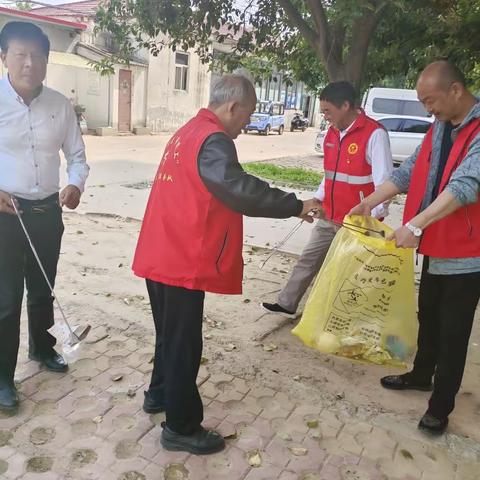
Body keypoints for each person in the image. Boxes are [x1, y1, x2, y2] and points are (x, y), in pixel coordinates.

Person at [132, 74, 319, 455]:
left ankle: (159, 395)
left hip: (160, 251)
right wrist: (295, 205)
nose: (245, 126)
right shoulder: (213, 139)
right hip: (181, 257)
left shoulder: (189, 130)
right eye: (247, 117)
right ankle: (181, 427)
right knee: (183, 343)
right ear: (232, 108)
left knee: (169, 334)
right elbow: (239, 189)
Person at [350, 60, 480, 435]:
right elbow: (409, 172)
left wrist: (413, 225)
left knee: (454, 332)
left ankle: (441, 407)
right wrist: (369, 201)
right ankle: (422, 375)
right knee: (431, 317)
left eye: (431, 100)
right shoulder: (440, 128)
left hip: (468, 253)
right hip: (437, 246)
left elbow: (465, 186)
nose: (428, 110)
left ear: (456, 90)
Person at [0, 22, 89, 410]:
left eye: (38, 56)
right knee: (5, 299)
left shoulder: (60, 105)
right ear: (4, 57)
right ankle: (3, 377)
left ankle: (42, 347)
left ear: (48, 61)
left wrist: (75, 185)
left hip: (47, 212)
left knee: (42, 288)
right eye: (20, 54)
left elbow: (77, 156)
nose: (29, 63)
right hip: (5, 215)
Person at [262, 81, 393, 317]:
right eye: (323, 111)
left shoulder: (374, 134)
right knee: (308, 259)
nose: (324, 116)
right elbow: (329, 175)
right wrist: (316, 200)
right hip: (329, 214)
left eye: (327, 111)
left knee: (347, 271)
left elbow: (385, 183)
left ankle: (338, 317)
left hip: (358, 222)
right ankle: (286, 303)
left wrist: (373, 217)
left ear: (346, 105)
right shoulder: (331, 134)